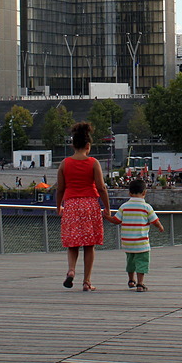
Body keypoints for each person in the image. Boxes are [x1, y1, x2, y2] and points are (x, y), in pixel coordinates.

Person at [56, 121, 115, 291]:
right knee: (89, 244)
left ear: (73, 145)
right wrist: (107, 207)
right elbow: (101, 187)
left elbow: (60, 189)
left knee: (73, 243)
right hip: (89, 205)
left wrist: (59, 206)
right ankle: (87, 281)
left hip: (71, 205)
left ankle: (71, 270)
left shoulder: (64, 164)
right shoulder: (93, 163)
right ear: (88, 146)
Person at [112, 178, 164, 291]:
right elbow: (154, 221)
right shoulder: (146, 207)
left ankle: (131, 280)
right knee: (142, 261)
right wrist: (160, 227)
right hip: (141, 242)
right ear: (144, 192)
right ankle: (140, 283)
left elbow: (116, 220)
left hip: (127, 242)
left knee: (130, 261)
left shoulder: (124, 206)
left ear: (129, 193)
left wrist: (107, 217)